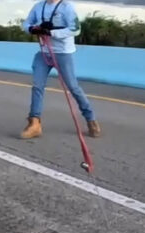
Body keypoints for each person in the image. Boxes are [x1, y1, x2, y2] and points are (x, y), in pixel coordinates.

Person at [20, 0, 101, 140]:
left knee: (73, 87)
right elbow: (26, 24)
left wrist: (51, 32)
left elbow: (75, 29)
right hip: (44, 52)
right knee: (37, 86)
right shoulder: (39, 6)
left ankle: (91, 119)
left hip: (63, 53)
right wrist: (33, 29)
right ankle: (34, 123)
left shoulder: (66, 7)